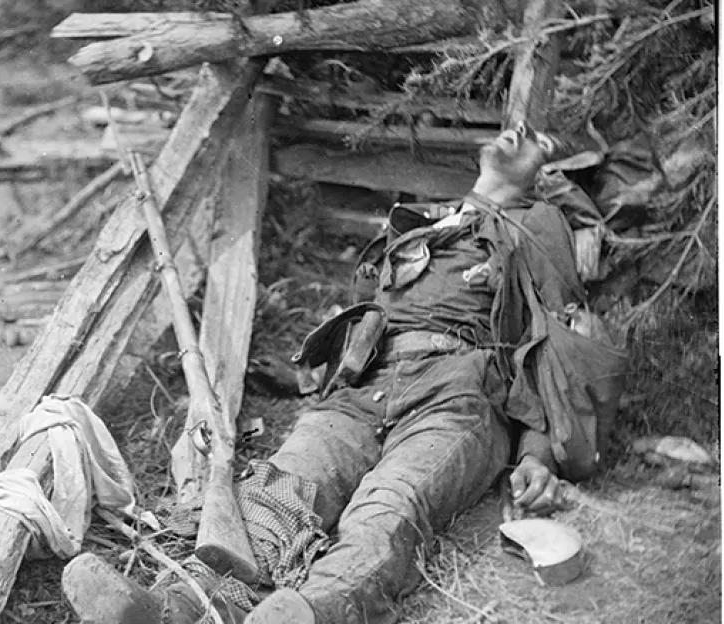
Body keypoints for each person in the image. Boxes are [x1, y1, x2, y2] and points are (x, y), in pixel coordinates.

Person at [63, 122, 629, 624]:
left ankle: (312, 612)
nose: (518, 130)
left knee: (388, 507)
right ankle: (168, 608)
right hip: (364, 385)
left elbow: (553, 346)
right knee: (279, 490)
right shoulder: (424, 223)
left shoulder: (538, 226)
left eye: (537, 138)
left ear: (545, 169)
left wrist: (536, 452)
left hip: (458, 392)